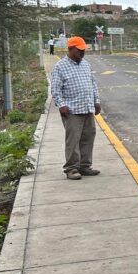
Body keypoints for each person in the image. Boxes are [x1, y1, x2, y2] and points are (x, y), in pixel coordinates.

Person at [50, 36, 101, 180]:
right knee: (73, 140)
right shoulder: (60, 67)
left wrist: (96, 101)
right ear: (70, 49)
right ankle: (71, 168)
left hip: (87, 107)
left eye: (83, 50)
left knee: (88, 137)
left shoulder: (86, 64)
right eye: (79, 51)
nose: (82, 53)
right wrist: (61, 105)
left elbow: (93, 84)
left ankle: (85, 166)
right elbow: (55, 89)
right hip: (72, 110)